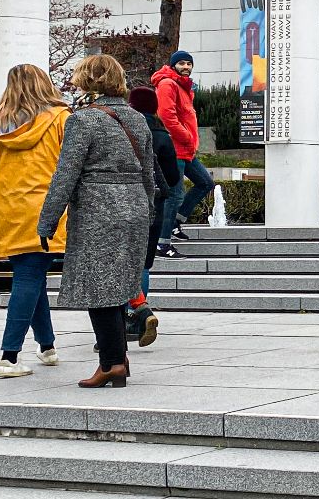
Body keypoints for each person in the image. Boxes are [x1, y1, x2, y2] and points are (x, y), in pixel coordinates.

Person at [39, 54, 156, 389]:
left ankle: (111, 363)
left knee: (99, 289)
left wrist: (47, 221)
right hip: (134, 208)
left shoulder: (83, 120)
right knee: (121, 285)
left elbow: (66, 174)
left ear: (87, 80)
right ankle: (118, 358)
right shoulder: (137, 118)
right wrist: (146, 210)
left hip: (97, 210)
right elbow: (149, 172)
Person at [0, 64, 70, 379]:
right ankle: (9, 356)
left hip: (6, 209)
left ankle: (47, 345)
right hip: (46, 210)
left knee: (31, 274)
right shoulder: (61, 119)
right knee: (29, 277)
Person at [123, 85, 181, 347]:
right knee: (144, 264)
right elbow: (173, 177)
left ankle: (123, 316)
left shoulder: (122, 128)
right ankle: (138, 314)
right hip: (154, 204)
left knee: (121, 263)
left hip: (124, 202)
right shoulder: (161, 134)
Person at [152, 51, 209, 247]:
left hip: (186, 150)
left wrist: (190, 142)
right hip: (176, 149)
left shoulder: (183, 86)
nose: (186, 67)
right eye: (182, 63)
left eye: (189, 64)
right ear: (173, 65)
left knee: (205, 183)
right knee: (174, 195)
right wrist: (187, 137)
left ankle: (176, 221)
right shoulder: (168, 84)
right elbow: (167, 117)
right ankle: (162, 243)